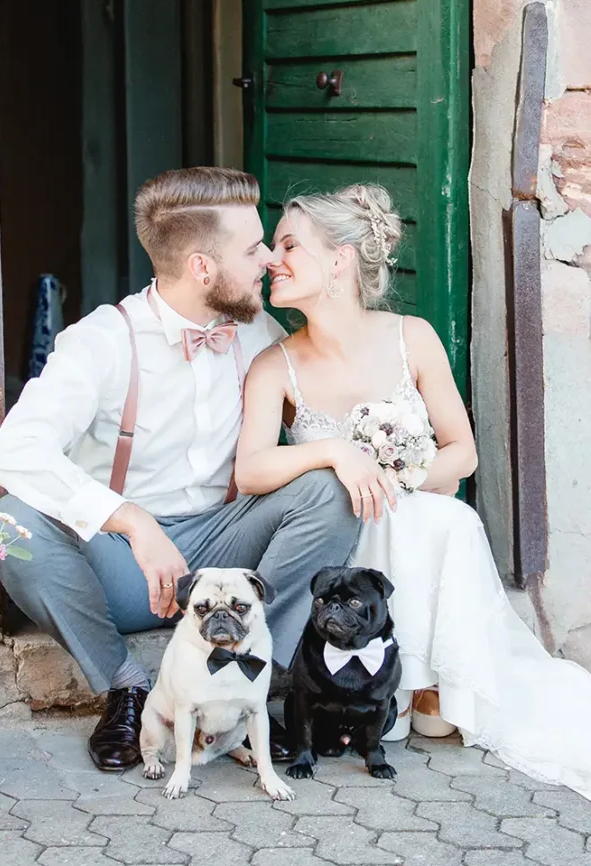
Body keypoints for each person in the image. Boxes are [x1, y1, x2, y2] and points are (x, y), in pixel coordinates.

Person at [0, 167, 361, 772]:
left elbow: (326, 407)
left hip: (227, 538)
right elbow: (10, 451)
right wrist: (132, 521)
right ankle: (126, 685)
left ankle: (256, 682)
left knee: (328, 491)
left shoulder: (258, 330)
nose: (268, 259)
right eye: (252, 248)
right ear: (201, 269)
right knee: (10, 524)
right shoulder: (103, 342)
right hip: (123, 562)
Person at [235, 182, 591, 799]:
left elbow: (463, 453)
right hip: (338, 528)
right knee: (353, 506)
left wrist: (394, 470)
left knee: (443, 518)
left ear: (340, 259)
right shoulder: (275, 365)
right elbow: (250, 472)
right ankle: (383, 687)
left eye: (290, 244)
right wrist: (333, 453)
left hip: (413, 510)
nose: (272, 259)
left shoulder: (413, 337)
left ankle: (427, 680)